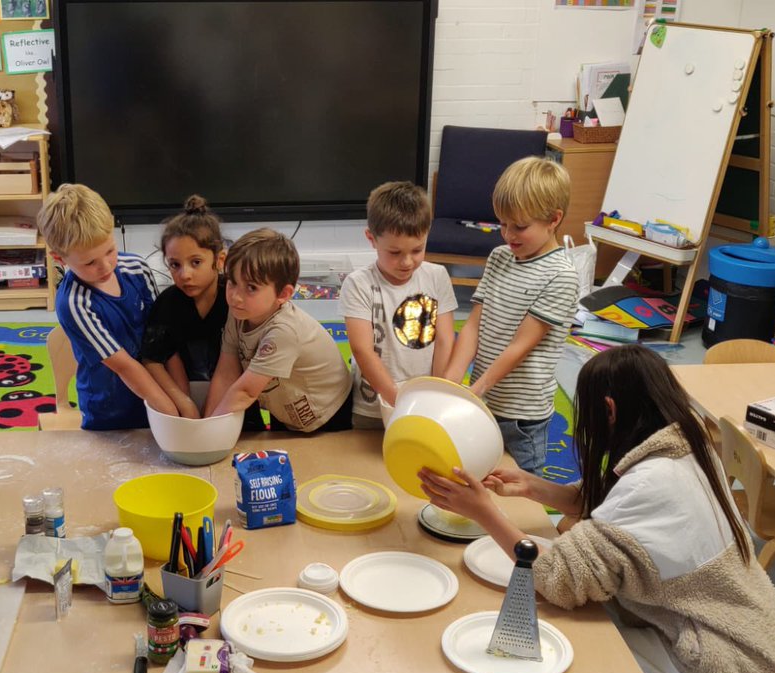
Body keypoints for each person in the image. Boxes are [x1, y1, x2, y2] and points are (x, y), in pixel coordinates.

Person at [419, 345, 775, 673]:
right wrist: (536, 488)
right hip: (743, 632)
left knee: (561, 666)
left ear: (609, 409)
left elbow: (558, 577)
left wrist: (483, 511)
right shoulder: (687, 444)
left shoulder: (654, 483)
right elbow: (615, 505)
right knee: (585, 627)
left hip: (727, 663)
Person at [443, 156, 579, 475]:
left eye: (519, 226)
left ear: (553, 219)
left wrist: (478, 388)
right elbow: (474, 324)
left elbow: (521, 347)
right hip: (486, 402)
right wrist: (452, 379)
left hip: (523, 418)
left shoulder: (561, 275)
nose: (508, 235)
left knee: (520, 495)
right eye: (502, 224)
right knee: (480, 479)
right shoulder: (500, 258)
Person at [40, 183, 179, 429]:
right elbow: (124, 366)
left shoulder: (137, 268)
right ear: (59, 259)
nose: (106, 266)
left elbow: (159, 335)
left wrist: (177, 395)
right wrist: (173, 415)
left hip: (156, 392)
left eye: (110, 251)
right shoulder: (74, 303)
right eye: (90, 262)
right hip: (110, 410)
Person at [205, 228, 353, 431]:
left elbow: (246, 392)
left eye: (251, 288)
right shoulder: (239, 312)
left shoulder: (283, 331)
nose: (235, 297)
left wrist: (207, 432)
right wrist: (207, 421)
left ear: (283, 294)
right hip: (283, 406)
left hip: (328, 413)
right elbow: (225, 373)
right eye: (232, 282)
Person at [139, 195, 264, 428]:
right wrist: (183, 402)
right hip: (187, 409)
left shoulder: (235, 299)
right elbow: (152, 360)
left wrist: (218, 411)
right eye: (175, 265)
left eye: (195, 262)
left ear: (219, 260)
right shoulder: (167, 304)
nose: (184, 274)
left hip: (235, 407)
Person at [341, 181, 456, 429]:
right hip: (373, 408)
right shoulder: (358, 284)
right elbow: (362, 350)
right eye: (394, 253)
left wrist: (436, 394)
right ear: (371, 239)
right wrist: (398, 401)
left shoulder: (437, 276)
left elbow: (445, 340)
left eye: (417, 250)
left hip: (424, 406)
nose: (407, 262)